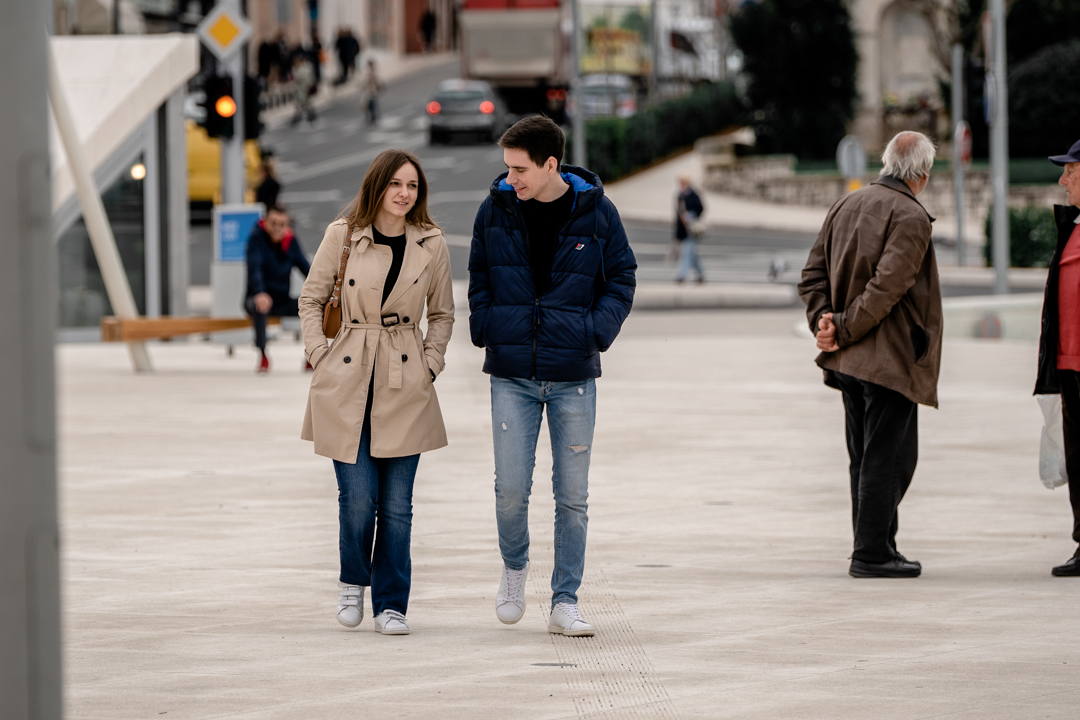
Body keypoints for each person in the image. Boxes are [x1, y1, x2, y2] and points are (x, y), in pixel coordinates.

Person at [468, 116, 637, 636]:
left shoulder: (597, 213)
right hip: (512, 374)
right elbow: (478, 276)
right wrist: (487, 326)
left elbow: (622, 276)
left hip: (573, 375)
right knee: (511, 490)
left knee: (573, 496)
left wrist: (594, 332)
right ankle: (515, 570)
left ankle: (565, 600)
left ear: (550, 165)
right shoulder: (495, 209)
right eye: (506, 168)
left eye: (519, 169)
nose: (510, 179)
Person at [298, 149, 454, 635]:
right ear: (377, 186)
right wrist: (320, 357)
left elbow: (443, 314)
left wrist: (430, 365)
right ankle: (352, 581)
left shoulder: (431, 243)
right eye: (395, 184)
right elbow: (311, 298)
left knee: (399, 505)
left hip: (405, 379)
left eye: (412, 185)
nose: (404, 193)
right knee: (358, 499)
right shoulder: (342, 234)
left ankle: (392, 604)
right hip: (347, 376)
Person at [798, 131, 941, 579]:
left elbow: (811, 274)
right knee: (891, 457)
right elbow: (888, 287)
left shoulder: (846, 203)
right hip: (887, 359)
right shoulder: (911, 215)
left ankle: (875, 545)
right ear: (922, 173)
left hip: (848, 361)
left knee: (864, 456)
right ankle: (872, 553)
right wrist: (840, 327)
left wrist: (824, 321)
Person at [1035, 139, 1080, 577]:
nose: (1062, 179)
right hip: (1068, 366)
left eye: (1071, 170)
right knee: (1079, 459)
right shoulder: (1073, 227)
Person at [244, 205, 311, 373]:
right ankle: (263, 355)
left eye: (282, 224)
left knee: (314, 307)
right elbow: (254, 269)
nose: (277, 228)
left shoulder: (290, 241)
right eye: (273, 223)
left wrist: (323, 290)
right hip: (257, 298)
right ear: (265, 222)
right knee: (260, 305)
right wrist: (259, 292)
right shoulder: (256, 239)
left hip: (282, 299)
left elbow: (306, 268)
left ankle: (311, 355)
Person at [674, 176, 706, 284]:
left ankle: (682, 275)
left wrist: (691, 215)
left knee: (686, 253)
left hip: (692, 230)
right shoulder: (679, 196)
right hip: (683, 229)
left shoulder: (694, 195)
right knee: (692, 254)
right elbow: (678, 214)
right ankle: (701, 274)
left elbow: (701, 208)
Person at [291, 53, 316, 125]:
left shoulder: (300, 70)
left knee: (299, 104)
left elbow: (298, 79)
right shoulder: (308, 67)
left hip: (301, 89)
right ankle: (310, 116)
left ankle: (298, 117)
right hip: (306, 88)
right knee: (307, 103)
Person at [363, 58, 380, 125]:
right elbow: (375, 81)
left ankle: (372, 116)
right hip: (371, 91)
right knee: (372, 104)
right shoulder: (371, 72)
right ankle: (373, 116)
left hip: (370, 91)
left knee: (371, 105)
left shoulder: (369, 72)